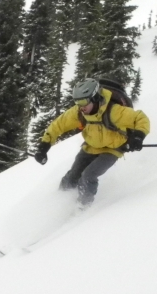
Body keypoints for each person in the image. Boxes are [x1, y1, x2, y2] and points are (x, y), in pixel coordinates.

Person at [34, 78, 150, 207]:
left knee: (88, 175)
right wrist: (44, 146)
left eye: (83, 102)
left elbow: (140, 118)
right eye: (77, 102)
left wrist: (138, 137)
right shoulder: (79, 112)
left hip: (112, 150)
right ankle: (56, 202)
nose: (81, 107)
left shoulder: (114, 111)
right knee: (73, 176)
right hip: (90, 147)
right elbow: (58, 125)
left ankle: (83, 208)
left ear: (95, 98)